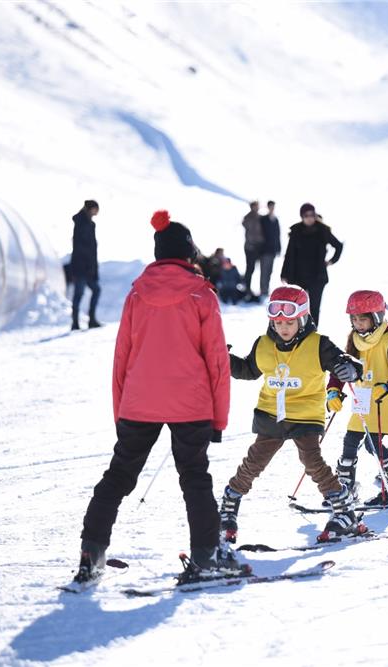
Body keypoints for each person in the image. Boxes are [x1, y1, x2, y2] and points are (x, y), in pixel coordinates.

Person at [74, 210, 232, 585]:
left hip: (139, 402)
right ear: (188, 252)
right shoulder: (201, 294)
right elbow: (217, 362)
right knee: (194, 477)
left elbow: (121, 358)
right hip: (190, 404)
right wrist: (219, 419)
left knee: (117, 476)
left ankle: (90, 553)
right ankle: (206, 557)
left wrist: (121, 413)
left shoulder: (137, 294)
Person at [219, 285, 363, 543]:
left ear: (303, 319)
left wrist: (350, 369)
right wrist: (223, 358)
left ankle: (343, 509)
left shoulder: (318, 344)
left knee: (311, 460)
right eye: (278, 322)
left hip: (306, 413)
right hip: (272, 413)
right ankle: (229, 505)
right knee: (254, 462)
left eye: (289, 322)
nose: (283, 328)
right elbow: (248, 371)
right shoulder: (263, 344)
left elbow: (343, 361)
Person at [326, 290, 388, 505]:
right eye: (354, 319)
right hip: (364, 400)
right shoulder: (355, 340)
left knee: (372, 444)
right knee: (350, 440)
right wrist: (333, 391)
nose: (358, 324)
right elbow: (341, 368)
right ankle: (344, 488)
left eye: (363, 319)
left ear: (376, 317)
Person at [280, 203, 343, 324]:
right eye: (306, 215)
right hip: (298, 276)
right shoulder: (295, 231)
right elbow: (289, 254)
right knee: (297, 307)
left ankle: (313, 334)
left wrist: (331, 261)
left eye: (311, 215)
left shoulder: (323, 230)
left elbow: (338, 246)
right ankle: (298, 333)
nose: (309, 218)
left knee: (314, 308)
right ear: (302, 216)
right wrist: (284, 273)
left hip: (317, 276)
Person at [70, 200, 101, 330]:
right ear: (90, 209)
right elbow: (81, 248)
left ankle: (91, 320)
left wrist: (93, 268)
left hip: (88, 267)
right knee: (79, 294)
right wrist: (87, 266)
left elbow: (91, 249)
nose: (97, 212)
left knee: (95, 290)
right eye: (95, 209)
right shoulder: (82, 224)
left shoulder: (89, 224)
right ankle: (76, 323)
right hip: (81, 267)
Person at [241, 200, 265, 301]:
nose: (256, 208)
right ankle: (247, 288)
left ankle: (261, 289)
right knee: (250, 268)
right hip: (250, 247)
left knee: (261, 268)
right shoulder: (248, 218)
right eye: (254, 206)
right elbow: (249, 231)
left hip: (259, 247)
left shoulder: (260, 218)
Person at [260, 200, 281, 296]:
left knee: (269, 271)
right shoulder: (263, 219)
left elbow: (277, 235)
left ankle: (266, 288)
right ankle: (263, 290)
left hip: (272, 250)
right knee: (264, 270)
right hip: (264, 250)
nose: (272, 208)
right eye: (270, 206)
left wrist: (278, 248)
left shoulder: (276, 220)